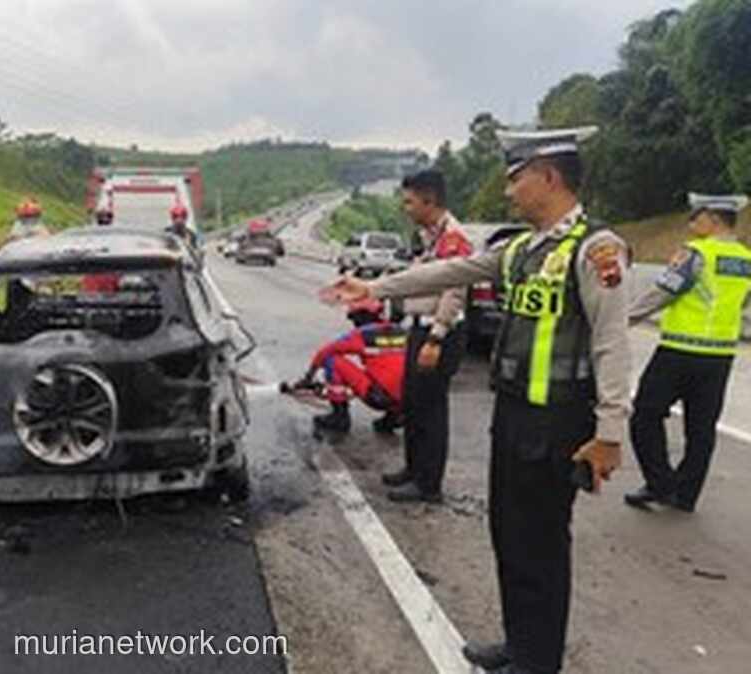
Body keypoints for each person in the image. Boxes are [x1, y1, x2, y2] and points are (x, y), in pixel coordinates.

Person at [321, 127, 631, 674]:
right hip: (511, 416)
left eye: (516, 179)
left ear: (549, 177)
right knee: (509, 535)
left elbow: (612, 341)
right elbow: (451, 271)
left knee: (540, 545)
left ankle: (538, 662)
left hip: (557, 422)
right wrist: (375, 288)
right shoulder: (523, 249)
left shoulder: (595, 250)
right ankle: (520, 645)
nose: (508, 192)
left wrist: (609, 433)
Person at [625, 192, 751, 513]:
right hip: (720, 356)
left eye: (696, 215)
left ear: (713, 219)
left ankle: (661, 484)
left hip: (679, 351)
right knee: (701, 430)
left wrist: (622, 320)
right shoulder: (746, 259)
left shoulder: (696, 254)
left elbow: (662, 292)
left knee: (645, 415)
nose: (691, 221)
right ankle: (686, 495)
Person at [383, 169, 474, 504]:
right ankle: (413, 468)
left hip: (440, 332)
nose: (405, 208)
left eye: (409, 201)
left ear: (429, 200)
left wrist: (435, 338)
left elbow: (454, 291)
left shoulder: (453, 238)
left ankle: (428, 483)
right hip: (419, 326)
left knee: (431, 408)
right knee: (413, 403)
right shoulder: (429, 237)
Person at [288, 298, 406, 433]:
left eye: (354, 318)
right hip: (408, 399)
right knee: (391, 373)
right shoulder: (402, 331)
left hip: (379, 397)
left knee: (332, 361)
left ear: (362, 316)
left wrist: (308, 378)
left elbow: (324, 353)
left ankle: (339, 416)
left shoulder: (362, 334)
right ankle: (393, 418)